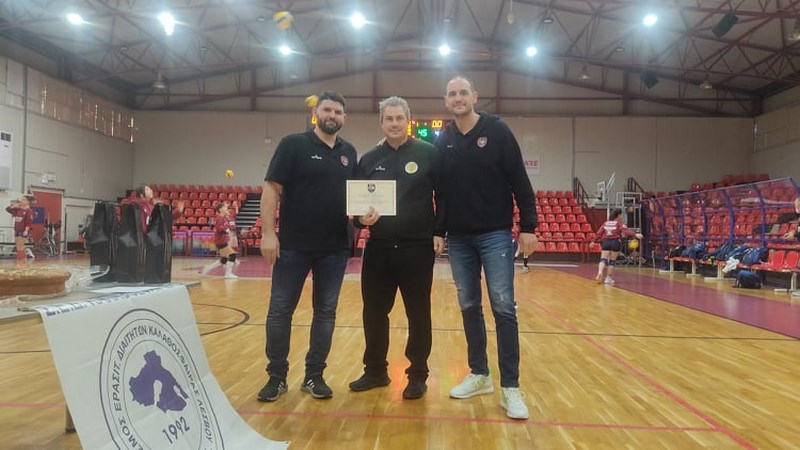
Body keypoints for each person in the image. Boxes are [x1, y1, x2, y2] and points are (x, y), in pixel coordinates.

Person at [434, 76, 538, 420]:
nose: (458, 98)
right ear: (446, 101)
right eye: (452, 94)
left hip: (495, 234)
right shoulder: (443, 140)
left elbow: (519, 179)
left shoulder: (498, 131)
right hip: (459, 238)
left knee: (503, 307)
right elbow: (440, 193)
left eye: (463, 92)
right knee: (468, 306)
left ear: (475, 97)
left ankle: (511, 387)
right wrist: (438, 231)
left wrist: (528, 227)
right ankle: (480, 375)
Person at [257, 91, 356, 402]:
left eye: (338, 112)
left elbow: (357, 196)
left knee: (325, 313)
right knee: (280, 311)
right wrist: (268, 234)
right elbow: (271, 189)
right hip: (293, 247)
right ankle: (276, 377)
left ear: (344, 118)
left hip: (335, 249)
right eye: (327, 110)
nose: (332, 116)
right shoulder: (292, 145)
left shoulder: (349, 153)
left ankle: (314, 376)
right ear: (316, 114)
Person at [347, 96, 444, 400]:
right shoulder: (369, 159)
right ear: (381, 123)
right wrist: (360, 220)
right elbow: (356, 204)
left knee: (419, 313)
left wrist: (439, 231)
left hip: (417, 248)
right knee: (374, 312)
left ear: (408, 120)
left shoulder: (429, 153)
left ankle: (418, 375)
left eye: (399, 118)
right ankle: (375, 371)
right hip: (379, 249)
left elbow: (444, 195)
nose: (394, 123)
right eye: (388, 119)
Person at [594, 208, 644, 285]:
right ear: (618, 215)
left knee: (603, 259)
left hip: (606, 242)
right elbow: (625, 231)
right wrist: (635, 234)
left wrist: (593, 241)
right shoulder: (619, 223)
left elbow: (599, 233)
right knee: (612, 261)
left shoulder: (605, 223)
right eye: (621, 215)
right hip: (615, 242)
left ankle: (600, 272)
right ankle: (608, 278)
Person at [200, 202, 238, 279]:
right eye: (225, 207)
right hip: (220, 241)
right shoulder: (219, 218)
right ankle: (228, 274)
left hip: (222, 240)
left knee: (224, 259)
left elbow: (228, 224)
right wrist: (226, 230)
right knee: (233, 255)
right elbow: (219, 228)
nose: (227, 208)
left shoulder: (224, 218)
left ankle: (208, 268)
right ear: (220, 209)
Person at [6, 194, 35, 264]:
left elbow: (29, 222)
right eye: (22, 199)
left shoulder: (29, 211)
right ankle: (21, 262)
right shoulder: (18, 209)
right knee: (18, 247)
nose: (22, 201)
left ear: (28, 202)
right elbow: (8, 209)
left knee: (21, 246)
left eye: (24, 199)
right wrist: (14, 205)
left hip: (23, 230)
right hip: (17, 229)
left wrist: (26, 230)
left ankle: (22, 262)